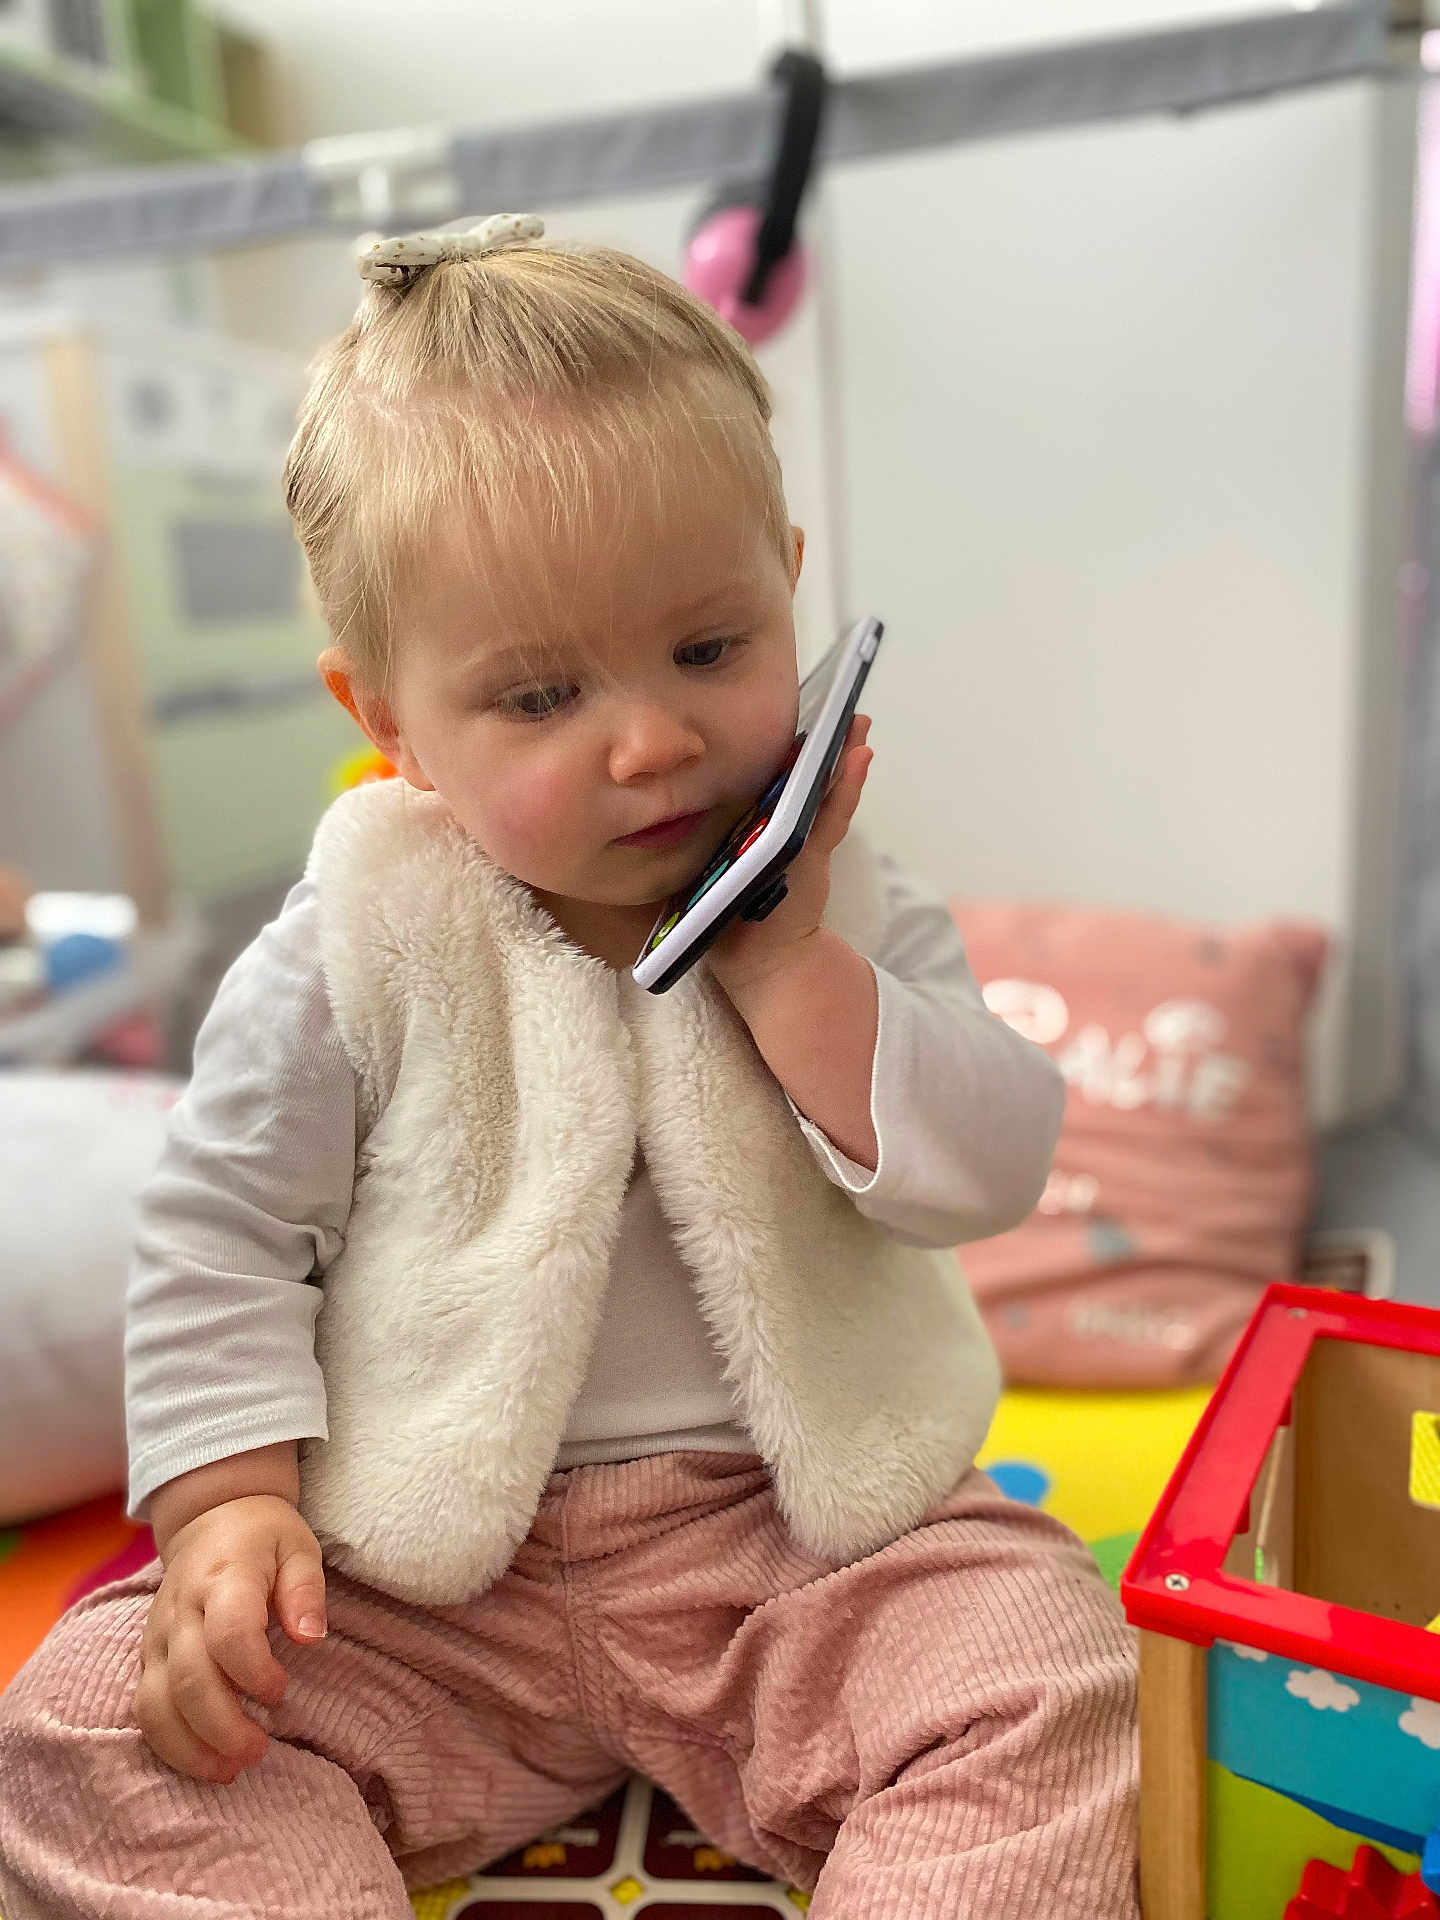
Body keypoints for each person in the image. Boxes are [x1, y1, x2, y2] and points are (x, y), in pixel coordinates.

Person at [0, 213, 1139, 1919]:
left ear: (787, 584)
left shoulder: (842, 892)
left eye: (710, 650)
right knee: (91, 1729)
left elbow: (990, 1169)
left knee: (1057, 1681)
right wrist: (226, 1506)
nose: (652, 740)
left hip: (813, 1546)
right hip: (422, 1583)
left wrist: (794, 972)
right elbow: (223, 1234)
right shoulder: (352, 941)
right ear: (389, 724)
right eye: (539, 698)